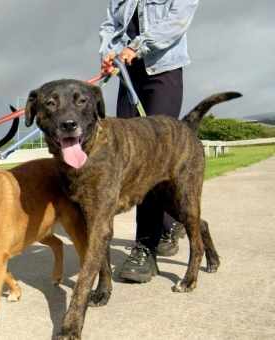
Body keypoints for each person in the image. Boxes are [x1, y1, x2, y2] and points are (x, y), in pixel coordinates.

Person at [99, 0, 199, 283]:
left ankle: (145, 246)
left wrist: (136, 47)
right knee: (129, 159)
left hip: (162, 73)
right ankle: (168, 223)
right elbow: (111, 25)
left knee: (154, 160)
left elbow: (176, 22)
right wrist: (109, 53)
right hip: (129, 74)